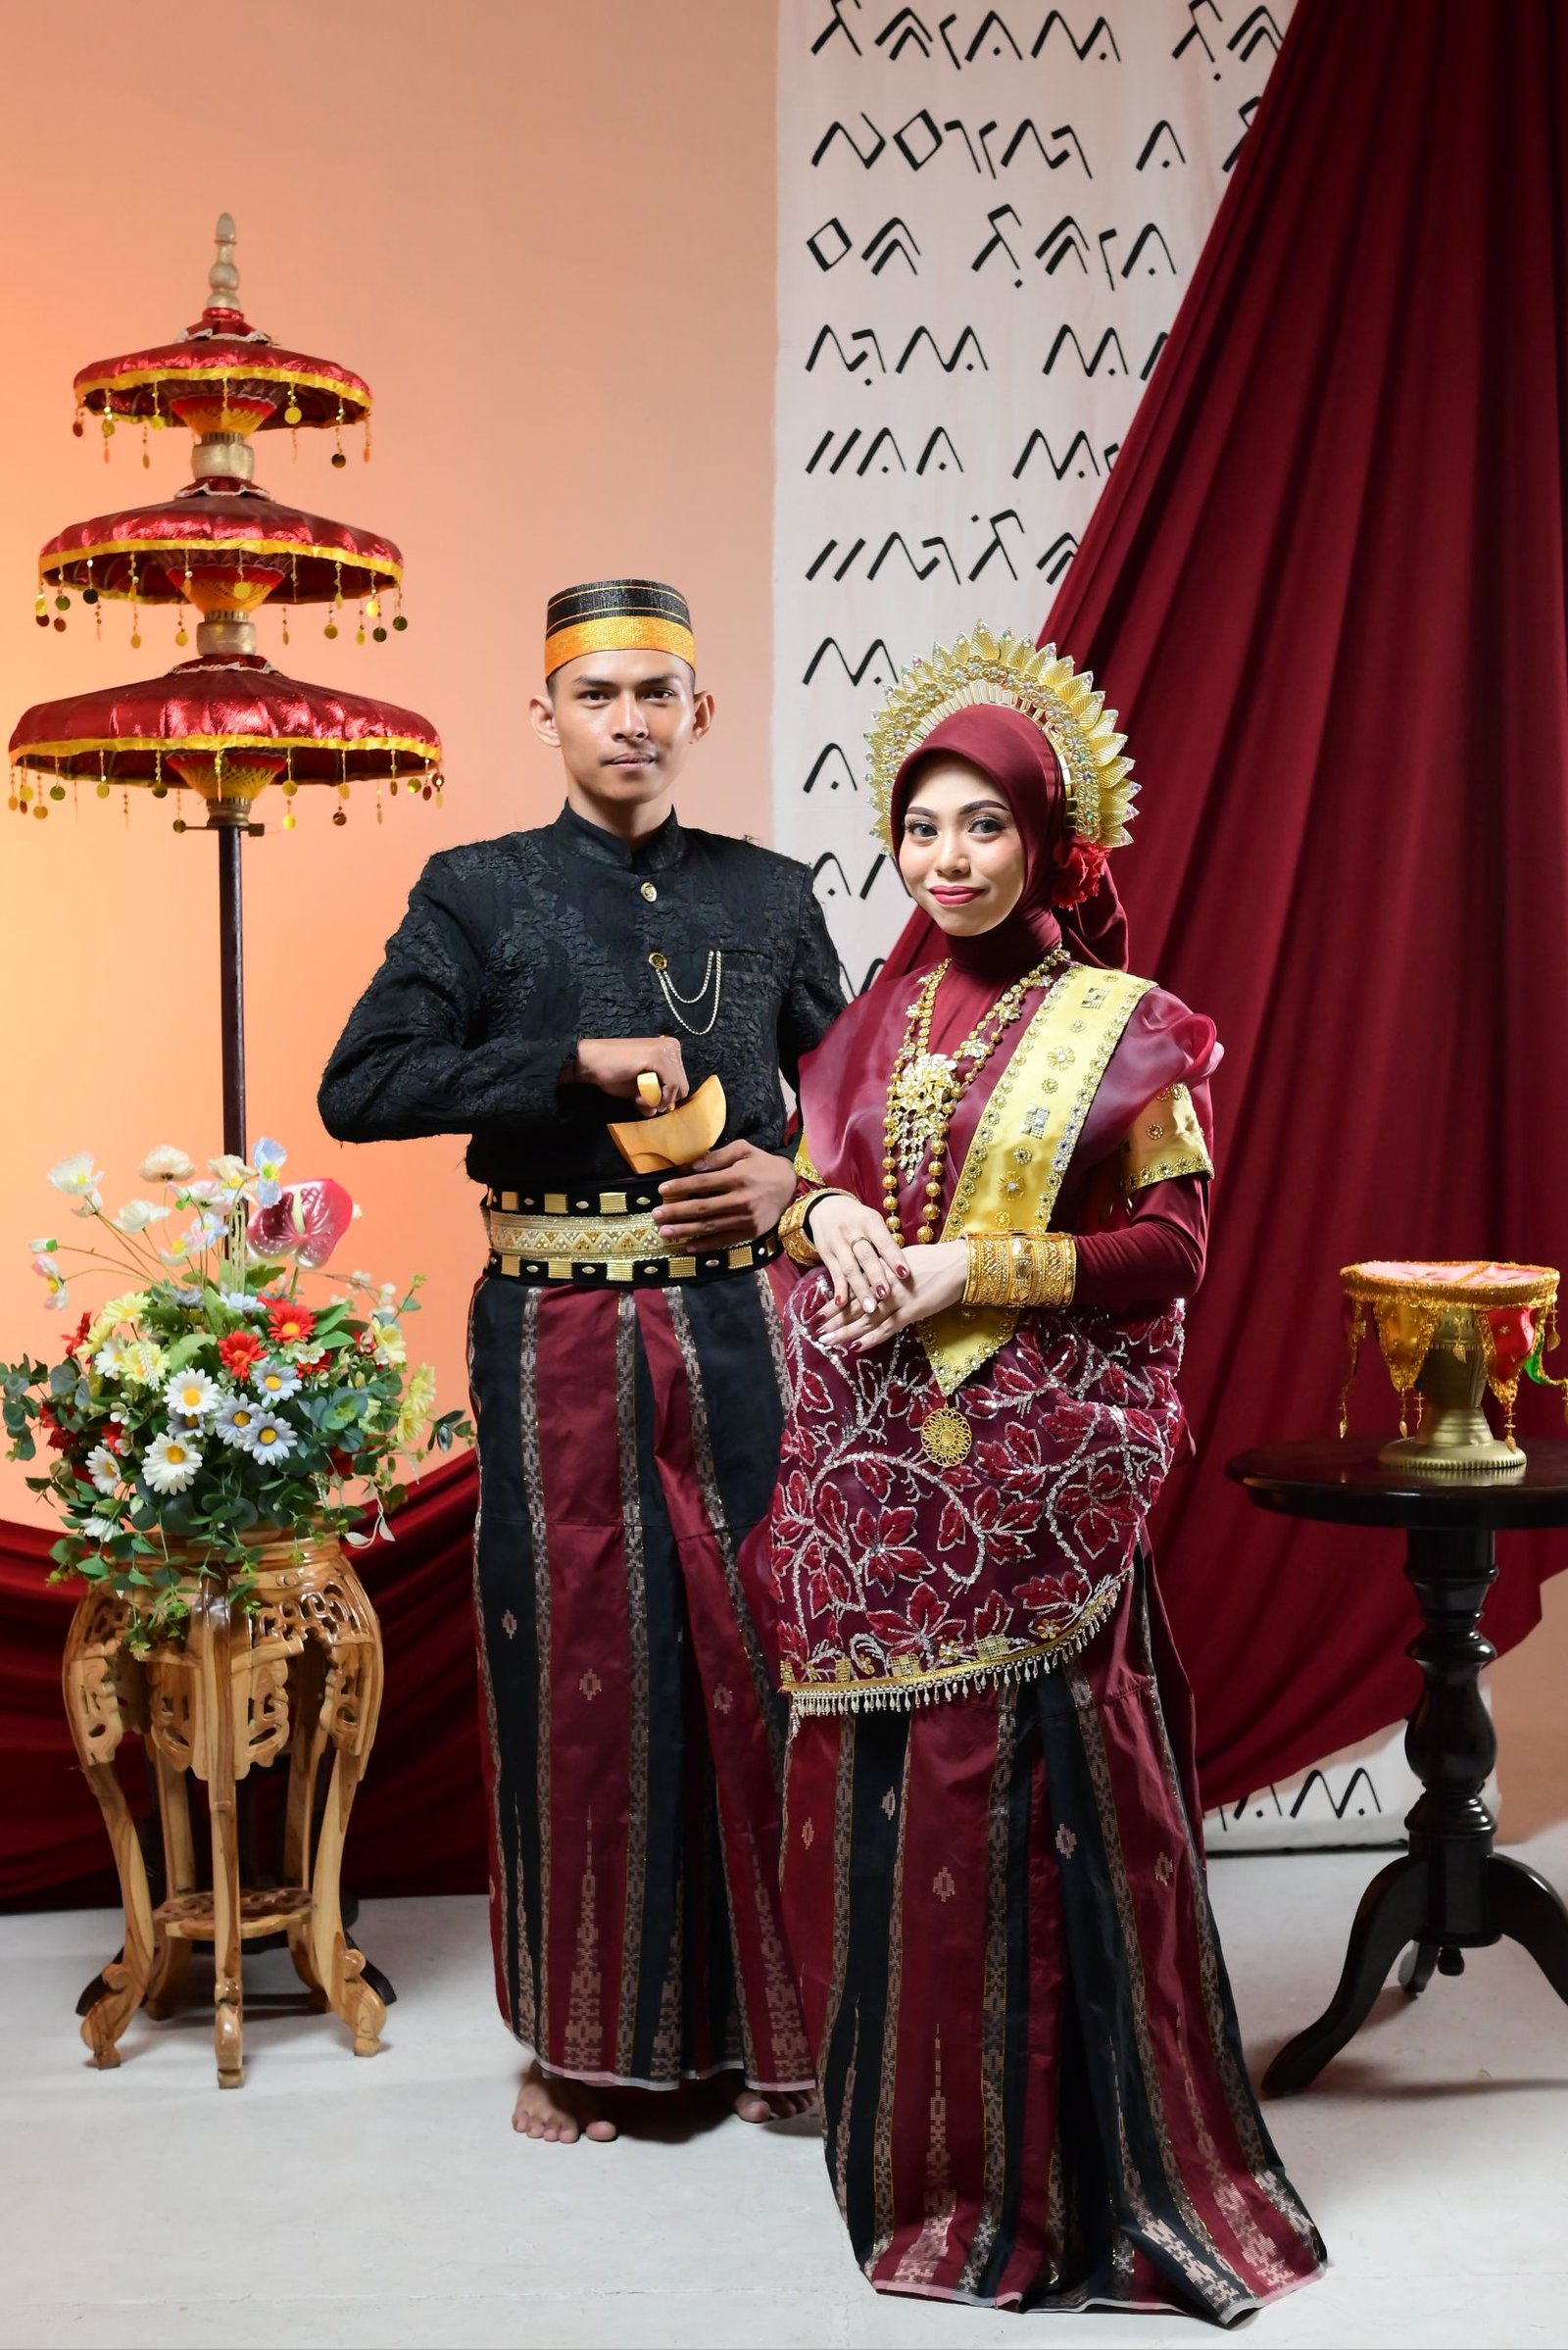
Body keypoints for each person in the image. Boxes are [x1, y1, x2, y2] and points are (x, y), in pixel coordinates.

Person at [745, 632, 1326, 2315]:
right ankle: (929, 2175)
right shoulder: (868, 1021)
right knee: (890, 1814)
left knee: (1043, 1816)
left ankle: (1072, 2187)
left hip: (1042, 1474)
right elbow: (811, 1193)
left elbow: (1175, 1249)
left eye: (982, 825)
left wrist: (969, 1270)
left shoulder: (1131, 1029)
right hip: (879, 1482)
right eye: (920, 826)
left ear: (1051, 841)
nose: (947, 857)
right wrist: (823, 1217)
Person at [318, 579, 844, 2142]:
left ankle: (791, 2039)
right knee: (579, 1667)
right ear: (543, 712)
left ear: (700, 710)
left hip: (746, 1322)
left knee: (767, 1651)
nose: (628, 721)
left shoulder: (772, 893)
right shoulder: (477, 892)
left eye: (654, 693)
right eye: (596, 693)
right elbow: (364, 1083)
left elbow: (862, 1089)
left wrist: (797, 1179)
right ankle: (590, 2048)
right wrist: (566, 1064)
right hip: (555, 1332)